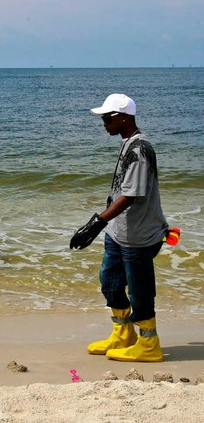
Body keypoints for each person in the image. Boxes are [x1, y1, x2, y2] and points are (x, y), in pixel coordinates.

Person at [70, 93, 168, 362]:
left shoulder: (140, 150)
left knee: (140, 291)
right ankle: (123, 333)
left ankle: (149, 346)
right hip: (118, 231)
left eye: (107, 117)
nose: (103, 123)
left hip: (138, 235)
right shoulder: (128, 143)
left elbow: (130, 196)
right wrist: (105, 225)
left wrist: (94, 224)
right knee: (110, 283)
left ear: (124, 117)